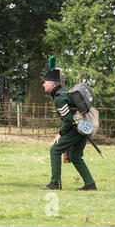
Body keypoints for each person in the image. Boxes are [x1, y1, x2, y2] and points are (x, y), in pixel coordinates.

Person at [41, 58, 97, 191]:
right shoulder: (64, 92)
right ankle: (90, 184)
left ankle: (55, 183)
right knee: (75, 156)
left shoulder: (60, 98)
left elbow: (68, 119)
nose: (43, 85)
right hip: (83, 126)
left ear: (52, 84)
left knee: (55, 150)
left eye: (44, 82)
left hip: (76, 128)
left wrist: (60, 133)